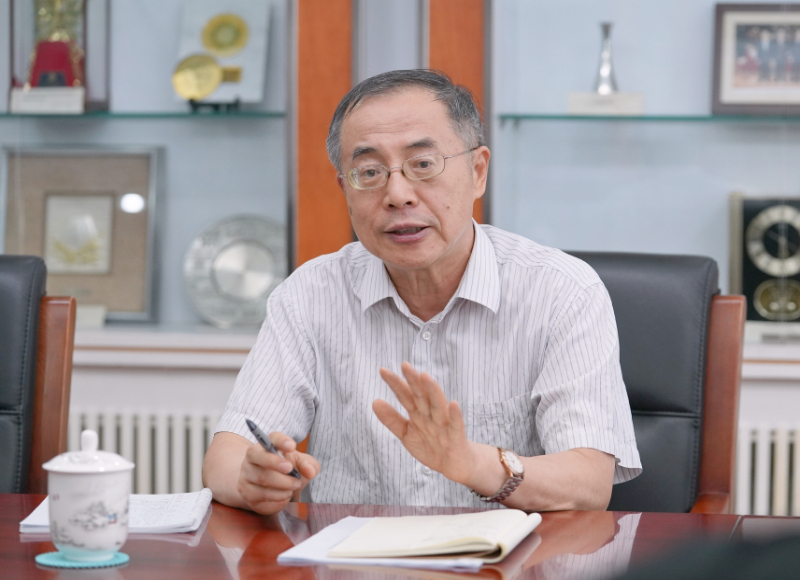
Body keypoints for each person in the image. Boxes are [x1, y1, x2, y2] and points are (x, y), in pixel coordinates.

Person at [202, 69, 641, 516]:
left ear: (477, 172)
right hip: (352, 553)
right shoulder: (310, 294)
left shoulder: (562, 292)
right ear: (345, 190)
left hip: (506, 554)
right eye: (369, 172)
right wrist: (251, 479)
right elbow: (225, 458)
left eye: (424, 165)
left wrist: (473, 464)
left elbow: (588, 482)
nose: (397, 194)